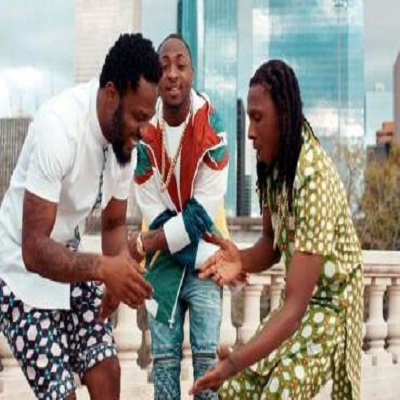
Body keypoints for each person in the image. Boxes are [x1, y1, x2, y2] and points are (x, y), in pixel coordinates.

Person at [0, 33, 161, 400]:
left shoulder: (125, 147)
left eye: (148, 119)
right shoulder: (59, 127)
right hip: (17, 270)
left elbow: (113, 224)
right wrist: (105, 269)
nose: (144, 130)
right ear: (111, 95)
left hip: (68, 261)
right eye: (139, 117)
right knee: (62, 394)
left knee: (108, 370)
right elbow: (33, 249)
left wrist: (118, 281)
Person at [191, 60, 364, 400]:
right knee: (233, 392)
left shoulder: (313, 178)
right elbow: (272, 244)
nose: (250, 132)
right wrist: (240, 259)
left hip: (332, 310)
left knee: (279, 391)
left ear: (283, 115)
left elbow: (296, 308)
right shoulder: (273, 167)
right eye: (249, 119)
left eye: (257, 118)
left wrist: (234, 362)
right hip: (296, 305)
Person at [131, 34, 229, 400]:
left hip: (203, 267)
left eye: (181, 65)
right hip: (173, 264)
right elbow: (154, 214)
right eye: (164, 66)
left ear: (192, 72)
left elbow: (200, 216)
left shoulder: (212, 126)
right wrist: (203, 253)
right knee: (164, 365)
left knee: (207, 365)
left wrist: (148, 242)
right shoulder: (144, 131)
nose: (172, 73)